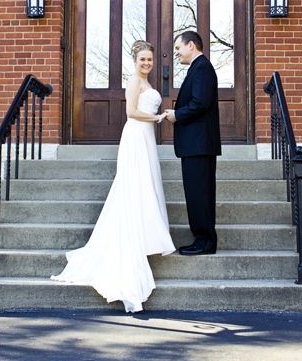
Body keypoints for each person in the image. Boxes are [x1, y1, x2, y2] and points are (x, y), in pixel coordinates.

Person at [51, 40, 175, 312]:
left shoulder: (147, 83)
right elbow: (131, 112)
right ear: (135, 60)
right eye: (142, 59)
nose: (146, 63)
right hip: (135, 136)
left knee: (145, 186)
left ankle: (144, 233)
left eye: (149, 60)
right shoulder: (134, 82)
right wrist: (156, 119)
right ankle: (131, 238)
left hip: (145, 139)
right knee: (133, 186)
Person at [165, 30, 221, 255]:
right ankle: (203, 239)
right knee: (198, 192)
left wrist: (177, 115)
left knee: (200, 193)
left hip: (199, 144)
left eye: (178, 48)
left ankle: (205, 241)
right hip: (196, 144)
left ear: (191, 46)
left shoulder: (202, 69)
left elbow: (200, 103)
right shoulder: (198, 69)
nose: (176, 53)